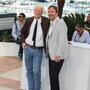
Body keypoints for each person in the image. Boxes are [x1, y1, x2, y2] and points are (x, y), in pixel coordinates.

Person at [21, 5, 50, 90]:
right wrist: (23, 42)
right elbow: (22, 33)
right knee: (29, 70)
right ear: (34, 11)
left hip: (38, 50)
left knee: (36, 72)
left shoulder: (46, 21)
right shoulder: (28, 20)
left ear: (42, 12)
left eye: (40, 10)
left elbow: (53, 30)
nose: (38, 12)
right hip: (27, 48)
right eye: (36, 10)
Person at [46, 5, 68, 90]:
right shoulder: (51, 23)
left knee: (54, 76)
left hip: (57, 56)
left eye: (52, 11)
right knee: (52, 77)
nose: (50, 13)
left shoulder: (61, 23)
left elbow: (62, 40)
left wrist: (58, 54)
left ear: (56, 13)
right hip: (51, 55)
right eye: (49, 11)